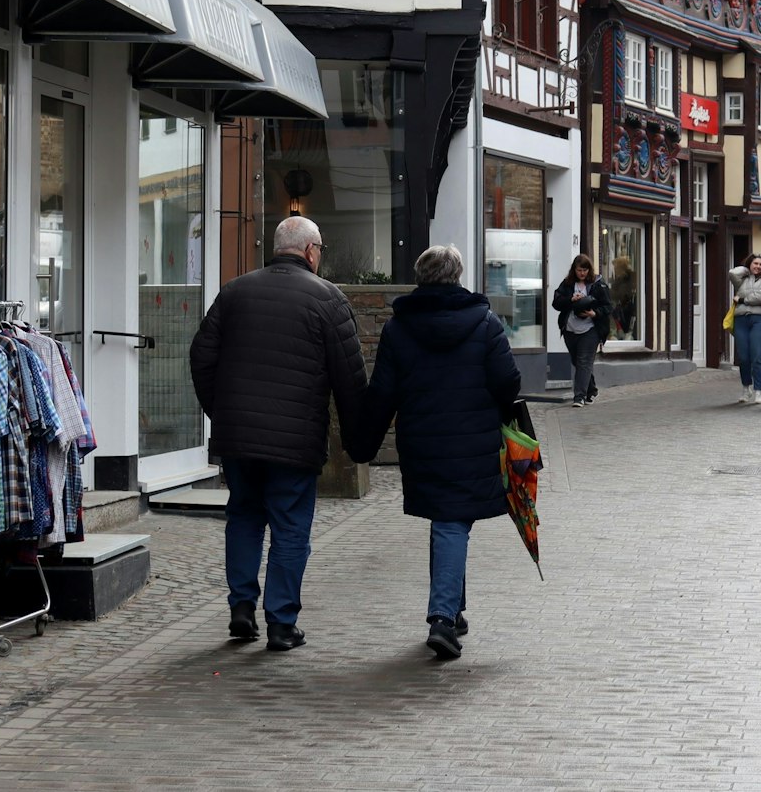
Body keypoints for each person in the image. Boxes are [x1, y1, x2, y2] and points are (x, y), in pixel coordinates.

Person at [188, 215, 367, 652]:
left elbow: (201, 357)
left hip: (239, 438)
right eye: (320, 249)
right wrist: (359, 439)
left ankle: (241, 607)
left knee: (244, 516)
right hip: (295, 441)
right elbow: (350, 379)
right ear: (310, 251)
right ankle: (281, 623)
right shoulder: (329, 299)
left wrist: (222, 413)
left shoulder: (234, 292)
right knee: (290, 528)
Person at [346, 245, 521, 660]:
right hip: (473, 442)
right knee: (451, 522)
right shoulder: (485, 323)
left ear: (421, 277)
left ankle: (453, 611)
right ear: (457, 275)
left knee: (447, 518)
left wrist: (362, 443)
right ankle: (442, 618)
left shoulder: (399, 328)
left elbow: (383, 392)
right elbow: (508, 383)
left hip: (423, 442)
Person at [551, 255, 610, 407]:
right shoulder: (567, 284)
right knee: (577, 361)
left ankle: (579, 397)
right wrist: (571, 299)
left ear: (589, 270)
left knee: (584, 361)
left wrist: (594, 313)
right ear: (574, 270)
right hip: (570, 329)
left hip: (590, 329)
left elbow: (608, 306)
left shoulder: (598, 284)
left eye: (585, 270)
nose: (582, 273)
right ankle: (592, 390)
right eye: (579, 270)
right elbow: (556, 303)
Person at [727, 254, 761, 404]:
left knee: (757, 355)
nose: (758, 267)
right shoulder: (742, 280)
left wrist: (742, 299)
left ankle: (759, 391)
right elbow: (732, 273)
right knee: (743, 356)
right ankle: (745, 388)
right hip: (741, 320)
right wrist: (747, 269)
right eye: (755, 263)